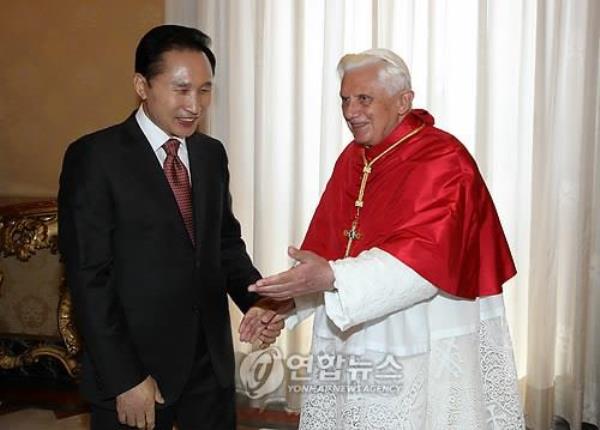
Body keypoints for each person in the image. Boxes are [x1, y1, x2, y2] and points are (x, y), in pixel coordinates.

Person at [243, 49, 525, 429]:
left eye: (364, 99)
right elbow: (327, 252)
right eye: (345, 99)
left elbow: (424, 261)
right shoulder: (353, 157)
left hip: (418, 336)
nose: (350, 111)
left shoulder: (444, 160)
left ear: (404, 101)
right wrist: (280, 302)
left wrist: (330, 279)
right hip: (347, 339)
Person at [58, 25, 282, 430]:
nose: (194, 105)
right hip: (136, 372)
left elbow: (225, 245)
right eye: (181, 89)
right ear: (142, 85)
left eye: (204, 90)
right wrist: (124, 378)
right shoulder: (95, 158)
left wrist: (258, 300)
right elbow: (89, 278)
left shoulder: (210, 154)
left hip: (209, 367)